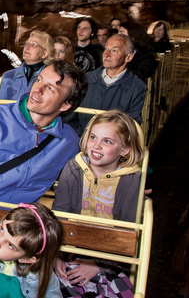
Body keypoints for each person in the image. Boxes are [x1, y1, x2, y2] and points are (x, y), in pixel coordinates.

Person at [53, 110, 145, 297]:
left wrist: (98, 265)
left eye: (107, 141)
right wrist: (55, 256)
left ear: (125, 149)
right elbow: (59, 215)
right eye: (93, 137)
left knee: (120, 291)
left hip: (110, 258)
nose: (96, 145)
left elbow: (127, 235)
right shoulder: (73, 169)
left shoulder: (131, 180)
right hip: (71, 250)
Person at [0, 60, 88, 204]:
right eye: (39, 80)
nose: (37, 90)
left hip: (19, 219)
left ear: (65, 105)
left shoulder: (69, 142)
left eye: (50, 88)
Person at [67, 34, 147, 135]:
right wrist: (82, 139)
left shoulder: (136, 86)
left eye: (114, 50)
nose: (106, 54)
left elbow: (132, 124)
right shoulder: (86, 79)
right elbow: (70, 116)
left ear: (128, 57)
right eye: (106, 49)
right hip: (80, 141)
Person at [0, 31, 55, 100]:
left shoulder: (50, 78)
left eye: (34, 45)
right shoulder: (9, 76)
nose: (27, 47)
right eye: (26, 43)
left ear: (45, 54)